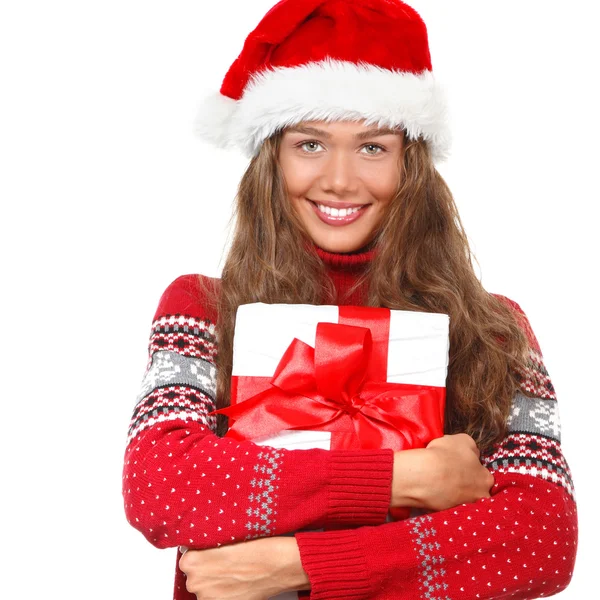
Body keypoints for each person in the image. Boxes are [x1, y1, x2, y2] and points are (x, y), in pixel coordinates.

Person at [122, 1, 578, 598]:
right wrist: (408, 478)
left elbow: (541, 538)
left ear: (411, 164)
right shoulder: (202, 308)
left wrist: (304, 564)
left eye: (372, 147)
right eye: (310, 144)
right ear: (271, 158)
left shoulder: (493, 327)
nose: (339, 179)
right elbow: (163, 488)